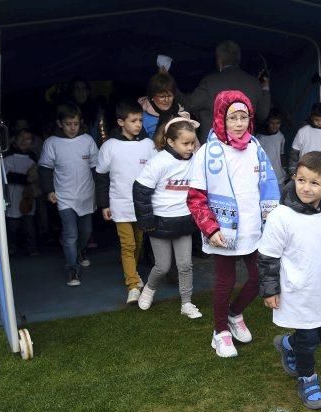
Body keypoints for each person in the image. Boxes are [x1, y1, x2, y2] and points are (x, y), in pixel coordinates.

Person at [187, 90, 280, 358]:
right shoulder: (207, 152)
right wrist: (211, 228)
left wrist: (270, 219)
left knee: (258, 278)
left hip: (253, 229)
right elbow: (196, 197)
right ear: (220, 118)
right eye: (232, 118)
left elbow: (268, 184)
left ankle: (234, 313)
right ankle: (220, 332)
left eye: (244, 117)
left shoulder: (256, 148)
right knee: (225, 283)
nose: (239, 123)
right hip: (222, 232)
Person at [259, 152, 321, 410]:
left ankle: (288, 344)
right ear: (293, 178)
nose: (306, 188)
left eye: (314, 183)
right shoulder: (281, 216)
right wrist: (270, 290)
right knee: (308, 339)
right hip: (296, 290)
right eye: (301, 180)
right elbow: (268, 257)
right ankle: (308, 378)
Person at [132, 117, 202, 319]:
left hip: (184, 221)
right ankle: (149, 290)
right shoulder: (159, 161)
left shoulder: (196, 159)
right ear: (171, 142)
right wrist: (146, 222)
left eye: (192, 143)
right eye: (185, 143)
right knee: (162, 266)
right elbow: (140, 190)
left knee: (185, 265)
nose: (190, 147)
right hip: (159, 223)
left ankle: (187, 303)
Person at [95, 100, 156, 304]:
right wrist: (104, 204)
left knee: (138, 242)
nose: (138, 124)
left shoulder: (148, 144)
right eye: (133, 120)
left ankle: (133, 273)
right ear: (121, 122)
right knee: (127, 244)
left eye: (140, 120)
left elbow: (157, 172)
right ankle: (132, 284)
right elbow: (101, 176)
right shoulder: (109, 146)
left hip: (142, 204)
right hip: (119, 204)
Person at [38, 103, 99, 287]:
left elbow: (97, 168)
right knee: (70, 234)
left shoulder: (88, 140)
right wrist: (49, 190)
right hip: (64, 196)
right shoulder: (51, 143)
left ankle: (80, 252)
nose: (72, 128)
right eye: (68, 124)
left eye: (75, 123)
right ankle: (72, 268)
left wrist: (102, 192)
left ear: (80, 122)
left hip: (87, 194)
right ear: (60, 123)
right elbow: (44, 169)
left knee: (86, 231)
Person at [180, 40, 271, 140]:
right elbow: (263, 115)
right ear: (239, 59)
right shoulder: (254, 83)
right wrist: (265, 89)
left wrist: (170, 86)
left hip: (214, 149)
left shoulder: (210, 82)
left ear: (219, 61)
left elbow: (188, 104)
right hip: (243, 148)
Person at [4, 129, 39, 257]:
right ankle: (12, 247)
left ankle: (32, 248)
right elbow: (4, 176)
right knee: (12, 225)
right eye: (21, 138)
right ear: (15, 140)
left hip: (28, 196)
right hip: (13, 196)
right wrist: (26, 178)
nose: (24, 141)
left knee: (29, 224)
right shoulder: (8, 158)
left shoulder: (33, 158)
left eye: (28, 138)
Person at [138, 71, 193, 139]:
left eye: (169, 96)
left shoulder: (182, 114)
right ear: (152, 96)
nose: (166, 100)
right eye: (162, 97)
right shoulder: (142, 117)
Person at [289, 102, 321, 170]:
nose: (319, 123)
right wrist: (293, 172)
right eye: (316, 120)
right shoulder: (302, 131)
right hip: (304, 173)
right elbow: (294, 154)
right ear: (311, 118)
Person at [256, 108, 286, 190]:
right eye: (272, 123)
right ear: (267, 123)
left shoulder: (281, 136)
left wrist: (284, 169)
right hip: (265, 175)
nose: (275, 126)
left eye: (277, 123)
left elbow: (281, 154)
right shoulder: (260, 138)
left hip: (279, 175)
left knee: (281, 200)